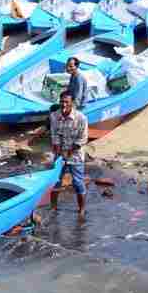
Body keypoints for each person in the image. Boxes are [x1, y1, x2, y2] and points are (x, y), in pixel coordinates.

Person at [49, 89, 88, 219]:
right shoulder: (54, 116)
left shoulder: (81, 118)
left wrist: (68, 153)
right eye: (61, 102)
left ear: (72, 103)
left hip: (75, 155)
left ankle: (81, 209)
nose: (64, 105)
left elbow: (82, 139)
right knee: (55, 181)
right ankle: (53, 207)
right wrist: (59, 152)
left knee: (78, 183)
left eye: (66, 102)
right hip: (59, 153)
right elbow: (54, 135)